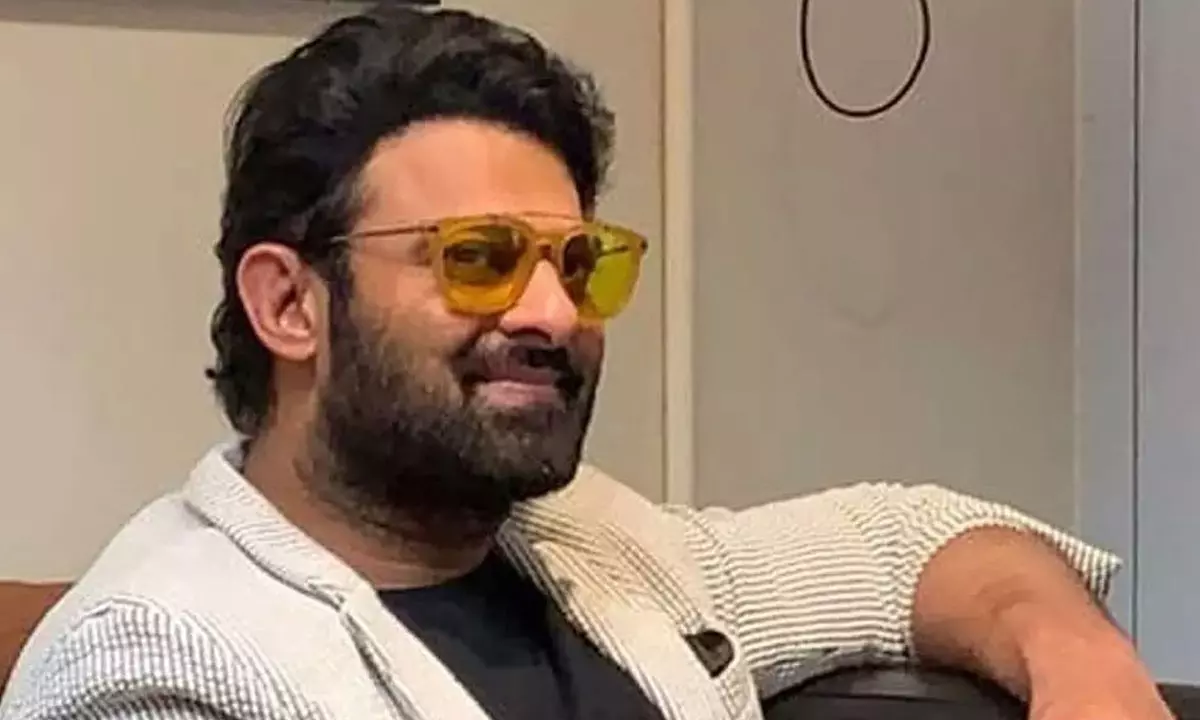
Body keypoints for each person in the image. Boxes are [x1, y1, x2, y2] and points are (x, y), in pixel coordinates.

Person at [0, 6, 1171, 720]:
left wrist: (1081, 662)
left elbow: (914, 542)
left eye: (580, 263)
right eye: (479, 258)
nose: (553, 312)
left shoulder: (589, 545)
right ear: (288, 303)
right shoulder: (162, 666)